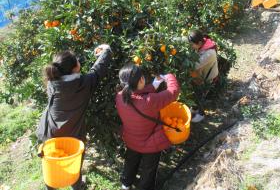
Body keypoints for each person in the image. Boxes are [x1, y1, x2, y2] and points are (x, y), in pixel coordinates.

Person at [36, 44, 112, 190]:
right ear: (74, 68)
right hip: (73, 135)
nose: (79, 62)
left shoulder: (53, 83)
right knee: (74, 162)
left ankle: (52, 186)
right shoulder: (83, 84)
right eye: (77, 61)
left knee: (52, 165)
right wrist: (106, 50)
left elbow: (74, 72)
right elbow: (97, 70)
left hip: (51, 133)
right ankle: (77, 186)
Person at [116, 64, 180, 190]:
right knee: (149, 169)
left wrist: (154, 85)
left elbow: (137, 94)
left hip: (131, 140)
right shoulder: (150, 101)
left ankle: (126, 183)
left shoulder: (119, 96)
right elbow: (173, 92)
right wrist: (170, 77)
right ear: (141, 80)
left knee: (131, 162)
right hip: (151, 143)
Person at [188, 30, 219, 123]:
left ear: (200, 43)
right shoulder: (201, 43)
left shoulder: (209, 53)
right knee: (196, 92)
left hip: (209, 77)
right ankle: (194, 108)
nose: (191, 46)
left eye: (192, 44)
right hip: (200, 74)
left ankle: (201, 114)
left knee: (201, 94)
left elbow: (194, 66)